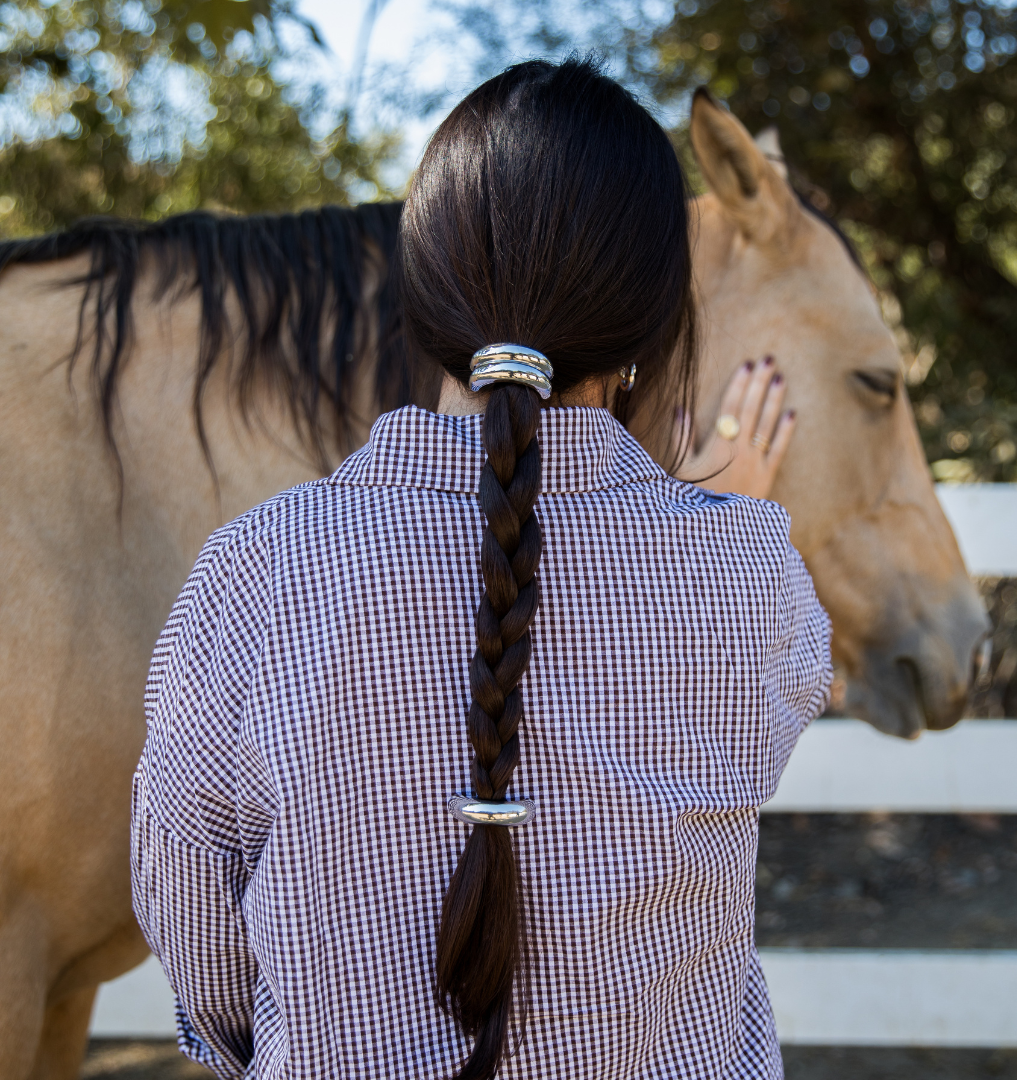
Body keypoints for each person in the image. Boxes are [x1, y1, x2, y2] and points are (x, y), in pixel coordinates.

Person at [131, 58, 831, 1080]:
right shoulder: (747, 570)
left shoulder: (256, 568)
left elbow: (192, 920)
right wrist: (732, 515)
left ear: (429, 298)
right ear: (651, 319)